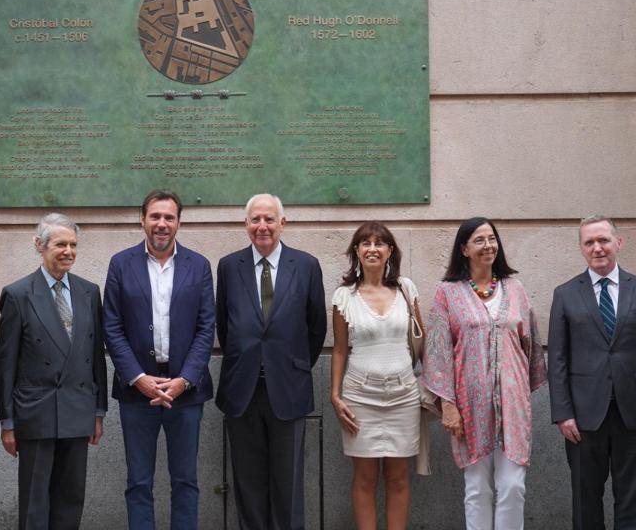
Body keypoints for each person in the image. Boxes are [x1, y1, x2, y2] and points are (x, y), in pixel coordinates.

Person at [422, 217, 547, 530]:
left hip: (512, 401)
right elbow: (437, 353)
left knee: (513, 485)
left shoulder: (515, 289)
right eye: (479, 240)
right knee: (477, 487)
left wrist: (520, 387)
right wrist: (447, 404)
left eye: (492, 239)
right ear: (464, 248)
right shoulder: (447, 293)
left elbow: (530, 341)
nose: (488, 245)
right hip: (468, 405)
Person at [548, 215, 636, 530]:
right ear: (581, 248)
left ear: (618, 243)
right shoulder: (565, 294)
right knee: (585, 499)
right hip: (583, 417)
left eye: (603, 240)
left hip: (635, 413)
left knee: (632, 497)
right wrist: (562, 414)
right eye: (590, 242)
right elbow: (558, 359)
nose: (598, 248)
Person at [104, 189, 215, 530]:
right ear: (142, 220)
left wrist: (184, 380)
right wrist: (139, 378)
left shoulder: (199, 266)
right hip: (138, 393)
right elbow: (112, 326)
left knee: (185, 481)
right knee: (139, 482)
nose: (162, 224)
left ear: (179, 222)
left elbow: (206, 328)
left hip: (186, 391)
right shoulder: (121, 264)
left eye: (169, 217)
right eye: (155, 217)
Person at [215, 193, 326, 530]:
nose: (262, 226)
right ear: (245, 225)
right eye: (255, 220)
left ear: (283, 223)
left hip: (288, 388)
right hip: (242, 390)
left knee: (288, 483)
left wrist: (291, 365)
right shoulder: (229, 266)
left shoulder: (305, 265)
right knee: (247, 483)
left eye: (268, 219)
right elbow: (225, 324)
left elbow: (316, 326)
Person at [0, 213, 108, 530]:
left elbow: (96, 356)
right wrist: (8, 421)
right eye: (60, 244)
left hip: (78, 408)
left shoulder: (89, 292)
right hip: (35, 412)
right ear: (40, 246)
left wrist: (98, 411)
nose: (68, 251)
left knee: (70, 499)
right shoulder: (18, 294)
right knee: (35, 501)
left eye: (73, 244)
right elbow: (5, 363)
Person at [330, 222, 422, 530]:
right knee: (365, 478)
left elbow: (423, 341)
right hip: (360, 397)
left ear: (389, 251)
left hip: (404, 396)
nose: (372, 248)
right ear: (356, 251)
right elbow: (340, 350)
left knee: (398, 478)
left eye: (379, 243)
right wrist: (335, 395)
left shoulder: (406, 289)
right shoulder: (345, 296)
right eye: (365, 243)